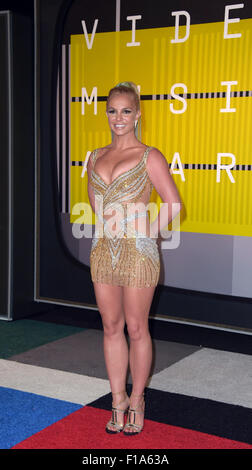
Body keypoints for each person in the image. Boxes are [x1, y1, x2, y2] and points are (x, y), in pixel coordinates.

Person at [87, 81, 182, 435]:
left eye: (126, 110)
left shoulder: (149, 155)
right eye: (112, 110)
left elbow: (172, 203)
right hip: (103, 252)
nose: (118, 117)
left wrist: (146, 234)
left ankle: (138, 398)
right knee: (110, 327)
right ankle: (117, 399)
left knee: (136, 327)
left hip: (138, 253)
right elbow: (97, 209)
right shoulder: (94, 156)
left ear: (137, 114)